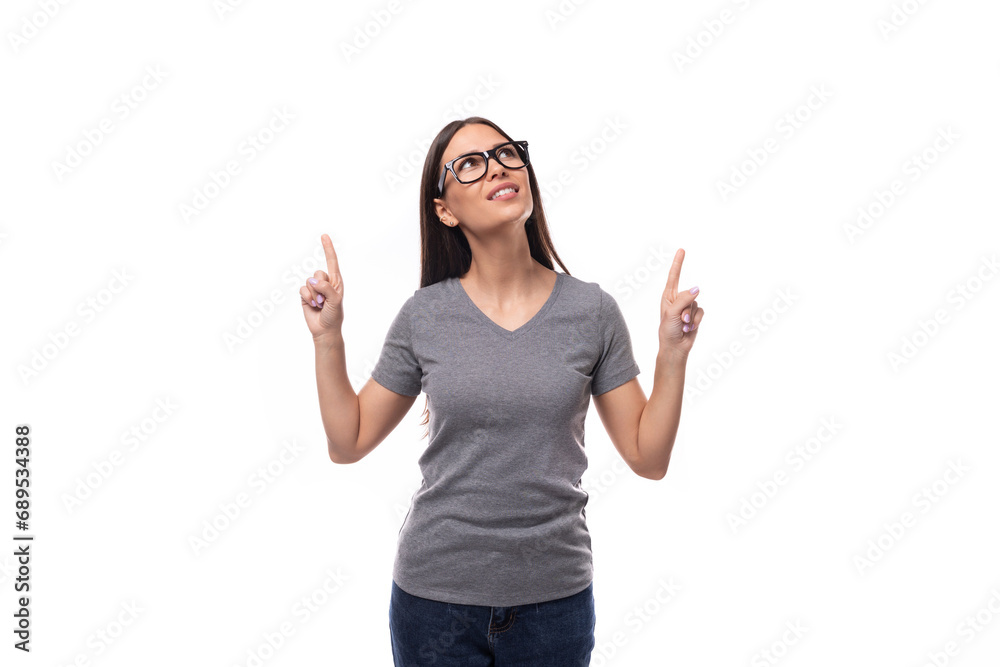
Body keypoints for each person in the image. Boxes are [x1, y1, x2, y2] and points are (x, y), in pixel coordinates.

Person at [300, 116, 704, 666]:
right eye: (469, 164)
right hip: (434, 602)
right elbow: (347, 442)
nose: (498, 168)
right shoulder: (425, 316)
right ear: (444, 209)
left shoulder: (592, 312)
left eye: (507, 153)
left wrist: (672, 354)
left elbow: (648, 457)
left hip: (554, 607)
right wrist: (328, 338)